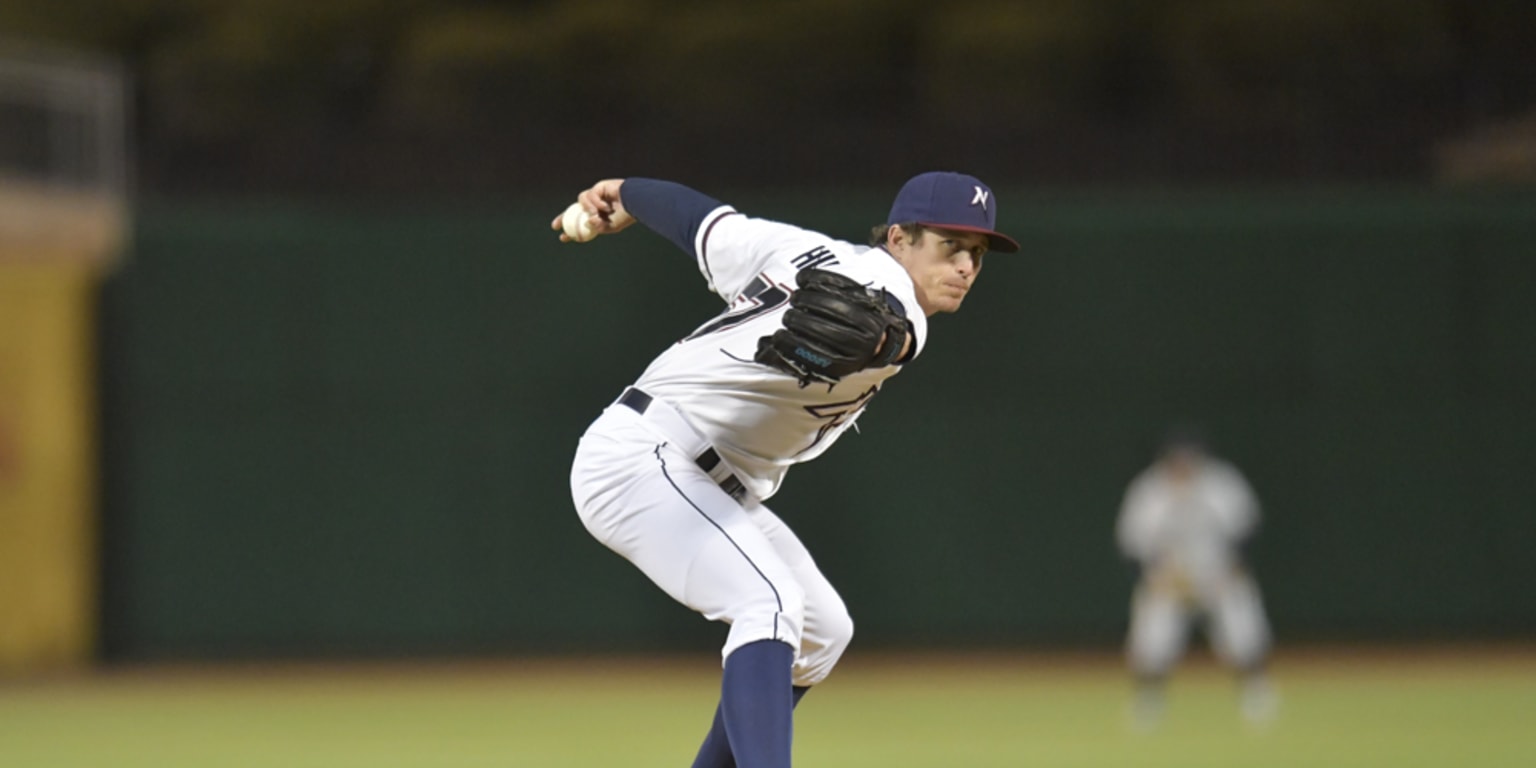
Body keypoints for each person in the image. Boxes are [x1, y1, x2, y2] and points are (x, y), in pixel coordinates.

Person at [559, 172, 1019, 768]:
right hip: (643, 458)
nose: (965, 266)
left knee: (823, 631)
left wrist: (622, 192)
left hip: (699, 476)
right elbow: (889, 323)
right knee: (769, 602)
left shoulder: (792, 247)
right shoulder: (895, 297)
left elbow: (699, 219)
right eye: (949, 245)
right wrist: (888, 336)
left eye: (977, 254)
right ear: (900, 237)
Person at [1115, 427, 1278, 726]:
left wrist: (1234, 569)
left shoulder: (1221, 484)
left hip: (1217, 575)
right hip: (1170, 580)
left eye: (1189, 459)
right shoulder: (1149, 491)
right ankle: (1148, 703)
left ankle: (1257, 695)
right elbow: (1132, 545)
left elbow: (1247, 531)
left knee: (1244, 632)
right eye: (1177, 460)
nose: (1184, 465)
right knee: (1152, 640)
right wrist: (1154, 579)